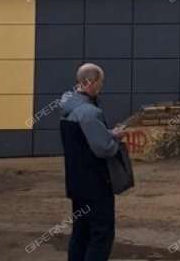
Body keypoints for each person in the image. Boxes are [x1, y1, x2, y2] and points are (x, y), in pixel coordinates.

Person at [60, 63, 123, 261]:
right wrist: (115, 140)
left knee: (81, 232)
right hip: (95, 184)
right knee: (101, 234)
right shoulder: (89, 112)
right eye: (100, 82)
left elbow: (85, 138)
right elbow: (103, 149)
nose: (101, 86)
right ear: (90, 82)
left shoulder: (68, 107)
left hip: (76, 182)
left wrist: (107, 133)